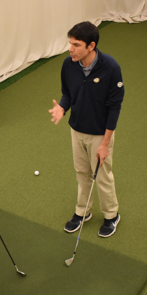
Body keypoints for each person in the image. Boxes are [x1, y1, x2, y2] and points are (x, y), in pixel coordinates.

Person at [49, 21, 125, 238]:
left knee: (101, 176)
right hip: (77, 129)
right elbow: (68, 94)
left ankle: (111, 215)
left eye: (76, 44)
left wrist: (105, 144)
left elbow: (114, 107)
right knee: (82, 172)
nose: (70, 49)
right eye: (70, 43)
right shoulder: (69, 64)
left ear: (91, 46)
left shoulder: (110, 68)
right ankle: (83, 212)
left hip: (100, 133)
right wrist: (62, 108)